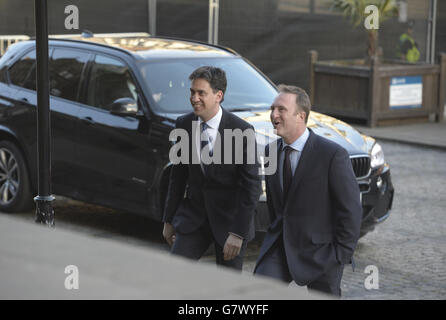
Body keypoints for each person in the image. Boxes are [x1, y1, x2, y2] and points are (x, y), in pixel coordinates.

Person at [253, 85, 362, 297]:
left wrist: (340, 254)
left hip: (322, 252)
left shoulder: (332, 155)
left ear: (300, 116)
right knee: (258, 294)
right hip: (281, 246)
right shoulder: (271, 151)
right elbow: (278, 206)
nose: (273, 115)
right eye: (272, 109)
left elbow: (350, 209)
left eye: (281, 109)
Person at [162, 66, 261, 270]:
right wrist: (169, 220)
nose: (194, 98)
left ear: (218, 95)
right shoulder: (184, 124)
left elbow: (251, 187)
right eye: (192, 92)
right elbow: (177, 177)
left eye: (201, 93)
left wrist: (237, 233)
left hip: (230, 224)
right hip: (194, 220)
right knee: (173, 274)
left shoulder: (242, 131)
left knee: (227, 288)